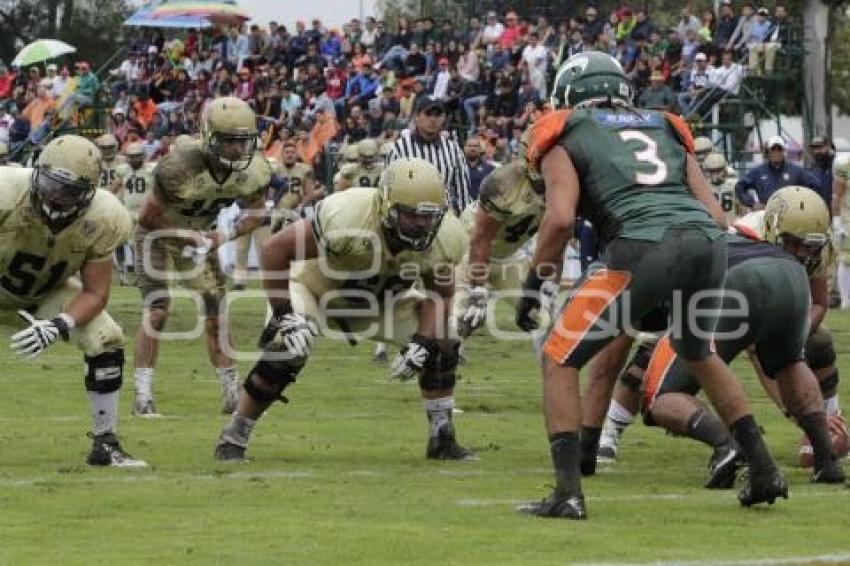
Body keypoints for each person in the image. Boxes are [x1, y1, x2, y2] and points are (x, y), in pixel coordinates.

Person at [514, 52, 785, 519]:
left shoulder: (565, 130)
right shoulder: (664, 125)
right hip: (706, 243)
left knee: (559, 356)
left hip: (641, 246)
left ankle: (566, 493)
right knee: (698, 351)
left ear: (567, 95)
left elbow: (559, 220)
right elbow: (719, 217)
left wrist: (534, 285)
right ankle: (762, 467)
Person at [214, 158, 474, 462]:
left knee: (443, 338)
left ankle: (441, 435)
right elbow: (274, 250)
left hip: (381, 302)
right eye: (410, 214)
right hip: (316, 289)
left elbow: (439, 296)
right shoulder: (348, 216)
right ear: (386, 205)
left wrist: (422, 342)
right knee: (288, 347)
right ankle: (235, 435)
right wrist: (286, 316)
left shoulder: (445, 236)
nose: (420, 224)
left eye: (428, 216)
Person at [600, 188, 845, 485]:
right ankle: (825, 456)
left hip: (730, 294)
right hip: (775, 292)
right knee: (790, 362)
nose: (803, 253)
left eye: (809, 246)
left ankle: (728, 445)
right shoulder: (754, 235)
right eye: (794, 244)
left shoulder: (700, 242)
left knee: (661, 394)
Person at [0, 135, 145, 467]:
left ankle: (105, 444)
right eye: (50, 185)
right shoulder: (6, 192)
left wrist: (58, 325)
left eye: (69, 192)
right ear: (37, 174)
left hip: (42, 294)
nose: (55, 197)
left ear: (89, 193)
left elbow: (95, 292)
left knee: (106, 337)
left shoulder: (105, 217)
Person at [133, 97, 272, 417]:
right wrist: (186, 234)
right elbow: (146, 218)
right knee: (158, 310)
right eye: (228, 141)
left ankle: (231, 392)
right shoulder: (179, 166)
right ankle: (143, 394)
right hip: (158, 236)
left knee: (216, 312)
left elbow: (256, 214)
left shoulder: (255, 170)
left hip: (199, 239)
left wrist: (221, 236)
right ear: (209, 136)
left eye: (243, 141)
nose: (238, 150)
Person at [456, 160, 546, 342]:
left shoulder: (565, 188)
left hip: (509, 256)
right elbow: (480, 239)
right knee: (455, 321)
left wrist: (544, 283)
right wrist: (478, 289)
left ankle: (556, 367)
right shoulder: (504, 183)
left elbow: (557, 235)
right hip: (470, 251)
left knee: (543, 319)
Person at [386, 96, 471, 215]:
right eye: (428, 114)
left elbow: (463, 193)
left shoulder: (453, 149)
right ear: (417, 116)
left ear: (444, 118)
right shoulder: (399, 148)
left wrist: (462, 220)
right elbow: (388, 187)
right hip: (409, 218)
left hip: (444, 218)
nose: (433, 119)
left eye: (438, 115)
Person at [735, 136, 824, 211]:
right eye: (773, 149)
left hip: (791, 216)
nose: (776, 152)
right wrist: (752, 203)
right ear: (768, 152)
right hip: (767, 215)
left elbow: (816, 185)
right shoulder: (758, 171)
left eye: (779, 149)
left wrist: (803, 203)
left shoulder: (796, 170)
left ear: (784, 151)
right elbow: (740, 186)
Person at [703, 152, 738, 225]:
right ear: (706, 171)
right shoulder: (703, 187)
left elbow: (742, 208)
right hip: (711, 225)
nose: (715, 174)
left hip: (732, 225)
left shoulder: (735, 185)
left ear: (725, 170)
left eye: (718, 170)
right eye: (712, 171)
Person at [463, 136, 495, 201]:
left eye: (475, 146)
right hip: (461, 208)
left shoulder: (490, 169)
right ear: (464, 148)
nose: (472, 148)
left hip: (481, 208)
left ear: (480, 149)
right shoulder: (456, 168)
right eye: (469, 146)